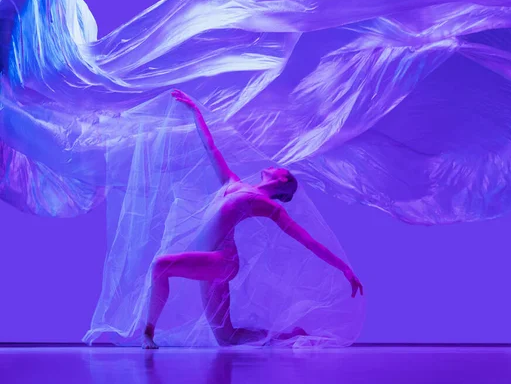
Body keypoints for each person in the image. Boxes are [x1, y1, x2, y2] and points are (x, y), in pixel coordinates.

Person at [142, 90, 363, 349]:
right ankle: (289, 335)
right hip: (210, 260)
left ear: (282, 181)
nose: (274, 165)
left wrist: (343, 267)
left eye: (282, 169)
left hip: (222, 261)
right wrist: (196, 112)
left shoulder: (269, 207)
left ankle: (148, 332)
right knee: (226, 339)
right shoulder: (233, 183)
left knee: (161, 265)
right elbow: (210, 148)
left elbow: (308, 241)